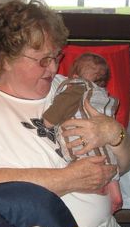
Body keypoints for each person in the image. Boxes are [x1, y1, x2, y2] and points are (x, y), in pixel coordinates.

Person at [0, 0, 130, 227]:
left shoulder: (71, 88)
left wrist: (115, 134)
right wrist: (69, 178)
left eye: (55, 56)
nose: (53, 67)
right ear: (5, 59)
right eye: (42, 60)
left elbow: (124, 164)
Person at [42, 52, 123, 214]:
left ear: (74, 75)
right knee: (108, 163)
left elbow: (58, 111)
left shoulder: (76, 86)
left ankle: (99, 192)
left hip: (84, 144)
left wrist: (47, 121)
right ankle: (115, 190)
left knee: (85, 165)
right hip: (106, 147)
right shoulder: (102, 94)